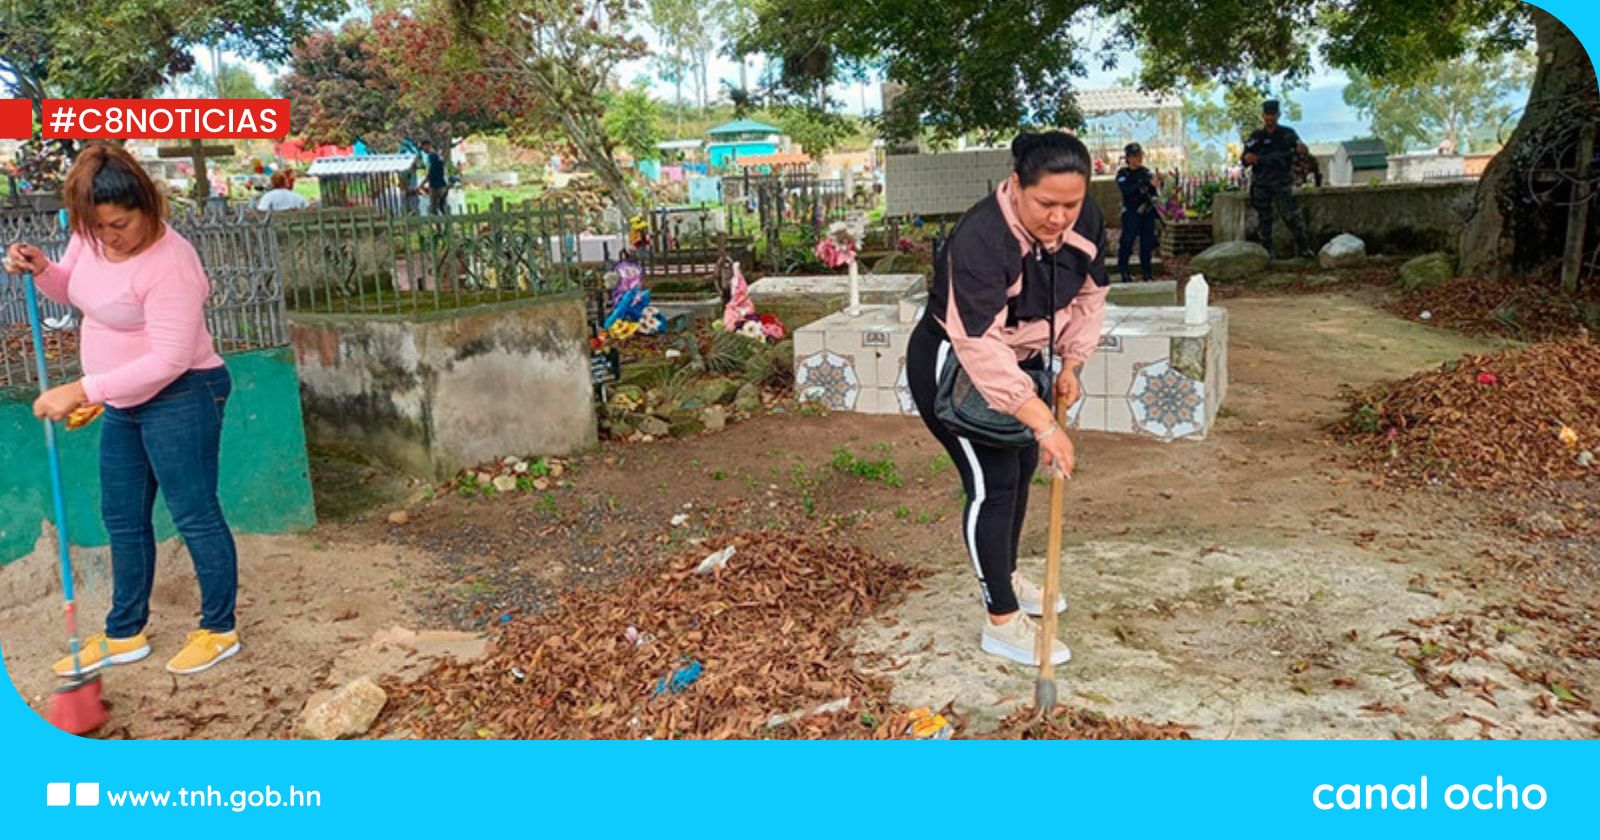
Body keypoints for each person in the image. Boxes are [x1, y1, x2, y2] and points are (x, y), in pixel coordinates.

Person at [5, 144, 242, 678]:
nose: (110, 236)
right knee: (123, 517)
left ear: (148, 205)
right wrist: (42, 269)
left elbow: (170, 357)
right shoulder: (90, 238)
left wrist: (84, 389)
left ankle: (219, 628)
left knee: (194, 513)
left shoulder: (172, 264)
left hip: (184, 393)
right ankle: (124, 632)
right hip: (123, 400)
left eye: (120, 224)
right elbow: (77, 288)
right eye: (98, 226)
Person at [905, 131, 1109, 666]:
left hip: (1021, 359)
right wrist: (1042, 422)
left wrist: (1074, 362)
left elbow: (1090, 295)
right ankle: (1001, 620)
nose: (1060, 218)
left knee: (1018, 473)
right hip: (958, 366)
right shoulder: (980, 238)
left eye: (1072, 203)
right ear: (1016, 184)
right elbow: (979, 343)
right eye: (1047, 204)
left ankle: (1008, 576)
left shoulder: (1081, 223)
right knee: (992, 483)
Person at [1241, 100, 1315, 259]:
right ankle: (1267, 252)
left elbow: (1301, 150)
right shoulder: (1257, 136)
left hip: (1281, 182)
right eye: (1267, 115)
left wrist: (1302, 150)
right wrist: (1248, 157)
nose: (1270, 118)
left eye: (1273, 115)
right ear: (1263, 116)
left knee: (1290, 216)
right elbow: (1245, 157)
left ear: (1278, 115)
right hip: (1261, 183)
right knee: (1264, 219)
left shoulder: (1287, 134)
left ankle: (1304, 248)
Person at [1115, 142, 1162, 283]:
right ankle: (1124, 271)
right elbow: (1127, 191)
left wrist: (1157, 184)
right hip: (1131, 212)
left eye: (1140, 155)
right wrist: (1145, 184)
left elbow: (1154, 193)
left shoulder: (1146, 172)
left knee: (1147, 243)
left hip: (1146, 211)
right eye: (1135, 156)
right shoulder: (1123, 174)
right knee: (1127, 242)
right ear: (1128, 158)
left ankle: (1146, 273)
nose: (1138, 158)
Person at [421, 140, 449, 216]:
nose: (423, 150)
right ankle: (447, 225)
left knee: (433, 209)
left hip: (435, 186)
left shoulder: (431, 156)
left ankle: (438, 227)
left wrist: (422, 184)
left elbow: (431, 172)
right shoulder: (438, 155)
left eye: (423, 148)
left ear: (427, 146)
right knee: (442, 207)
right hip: (443, 184)